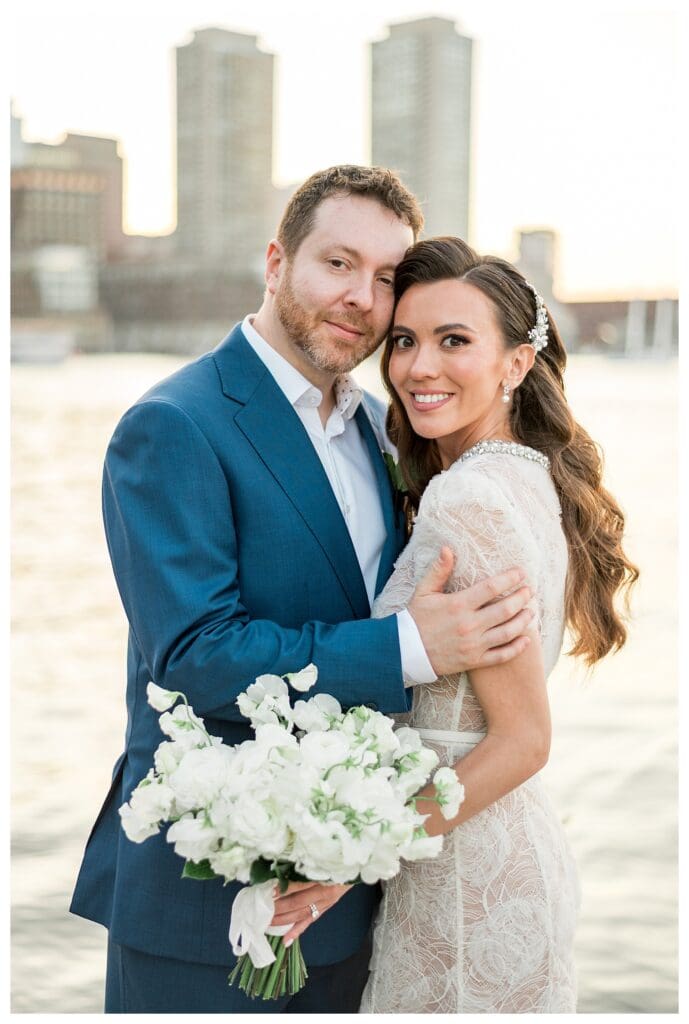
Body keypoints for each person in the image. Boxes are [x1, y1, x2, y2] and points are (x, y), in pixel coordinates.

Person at [69, 168, 534, 1013]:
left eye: (387, 278)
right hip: (204, 907)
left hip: (352, 898)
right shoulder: (175, 423)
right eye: (338, 263)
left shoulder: (376, 426)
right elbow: (194, 656)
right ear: (277, 261)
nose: (362, 297)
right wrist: (414, 647)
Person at [347, 237, 636, 1012]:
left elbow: (521, 740)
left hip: (464, 878)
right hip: (481, 850)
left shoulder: (466, 498)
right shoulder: (521, 477)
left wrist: (349, 854)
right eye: (404, 340)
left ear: (514, 364)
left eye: (454, 341)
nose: (417, 367)